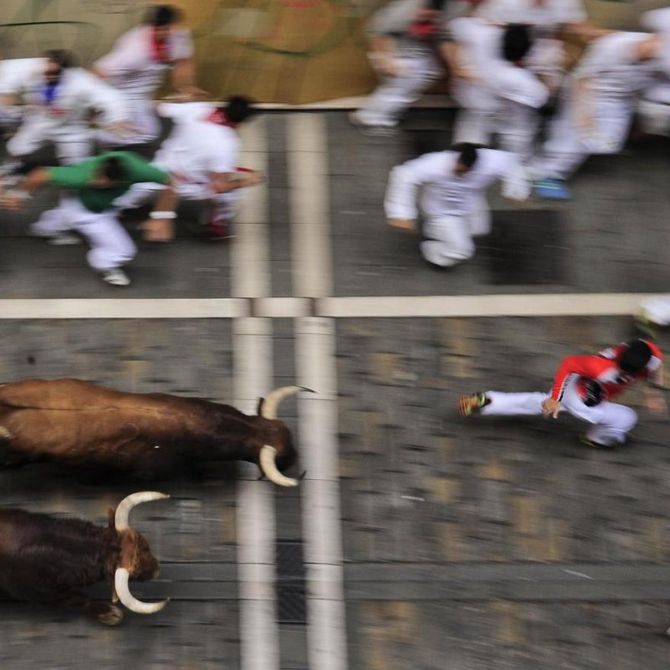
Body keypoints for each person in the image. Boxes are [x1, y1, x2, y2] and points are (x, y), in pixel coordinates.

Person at [0, 152, 171, 286]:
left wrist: (161, 217)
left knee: (64, 216)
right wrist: (19, 195)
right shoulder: (81, 176)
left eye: (104, 181)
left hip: (98, 202)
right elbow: (40, 174)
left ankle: (43, 229)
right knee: (124, 251)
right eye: (98, 176)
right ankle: (105, 264)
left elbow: (171, 182)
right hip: (86, 209)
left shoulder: (137, 170)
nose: (97, 180)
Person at [458, 338, 666, 448]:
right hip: (583, 400)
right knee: (627, 418)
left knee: (535, 402)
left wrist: (653, 392)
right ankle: (595, 439)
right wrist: (555, 399)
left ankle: (488, 402)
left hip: (575, 385)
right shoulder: (601, 367)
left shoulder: (650, 353)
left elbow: (656, 368)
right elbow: (569, 363)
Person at [530, 31, 664, 200]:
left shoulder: (661, 55)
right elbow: (583, 79)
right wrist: (583, 116)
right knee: (571, 140)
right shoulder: (611, 46)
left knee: (606, 142)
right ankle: (547, 175)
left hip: (619, 100)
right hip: (589, 93)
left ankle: (556, 153)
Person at [114, 96, 262, 242]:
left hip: (159, 168)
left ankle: (111, 207)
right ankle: (215, 227)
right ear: (241, 122)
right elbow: (220, 186)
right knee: (232, 191)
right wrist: (247, 181)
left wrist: (180, 100)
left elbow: (159, 108)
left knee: (128, 194)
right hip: (184, 184)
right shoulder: (228, 145)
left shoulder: (199, 108)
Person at [384, 142, 530, 268]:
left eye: (465, 171)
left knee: (479, 229)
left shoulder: (492, 160)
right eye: (458, 170)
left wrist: (516, 191)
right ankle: (431, 248)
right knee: (461, 250)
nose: (460, 174)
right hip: (441, 211)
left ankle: (438, 232)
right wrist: (401, 213)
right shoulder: (434, 163)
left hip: (471, 202)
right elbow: (403, 174)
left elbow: (512, 163)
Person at [93, 4, 205, 147]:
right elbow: (97, 72)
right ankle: (94, 134)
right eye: (161, 29)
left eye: (171, 27)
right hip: (122, 93)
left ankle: (105, 127)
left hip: (143, 94)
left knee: (146, 131)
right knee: (147, 133)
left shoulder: (179, 36)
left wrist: (186, 87)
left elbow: (183, 61)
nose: (168, 33)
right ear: (152, 27)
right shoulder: (134, 49)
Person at [0, 49, 128, 167]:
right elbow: (10, 70)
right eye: (46, 71)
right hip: (39, 122)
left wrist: (118, 117)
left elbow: (111, 97)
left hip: (71, 130)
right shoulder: (35, 67)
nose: (48, 75)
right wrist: (6, 90)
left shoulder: (82, 80)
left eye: (54, 72)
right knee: (16, 149)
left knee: (77, 166)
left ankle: (73, 189)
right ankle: (10, 170)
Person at [446, 20, 549, 162]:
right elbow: (542, 97)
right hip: (511, 124)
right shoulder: (521, 79)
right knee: (518, 148)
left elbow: (455, 26)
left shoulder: (482, 35)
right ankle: (519, 167)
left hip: (476, 106)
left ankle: (461, 159)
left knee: (469, 143)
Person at [349, 0, 450, 135]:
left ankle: (384, 113)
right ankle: (369, 117)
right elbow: (380, 32)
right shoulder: (406, 8)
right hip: (396, 53)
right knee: (398, 88)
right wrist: (386, 60)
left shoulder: (445, 6)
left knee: (411, 84)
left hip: (417, 53)